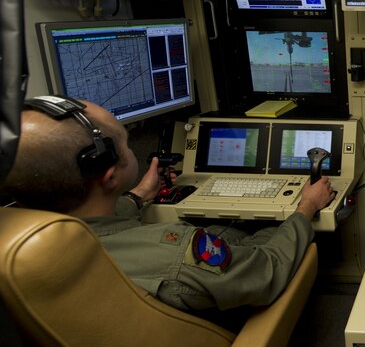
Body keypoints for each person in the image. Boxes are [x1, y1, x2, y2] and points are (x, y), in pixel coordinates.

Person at [2, 95, 335, 320]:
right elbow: (267, 270)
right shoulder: (176, 253)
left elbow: (99, 223)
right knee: (282, 237)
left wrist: (138, 195)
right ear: (108, 175)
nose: (130, 148)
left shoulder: (24, 246)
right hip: (227, 322)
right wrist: (305, 209)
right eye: (124, 143)